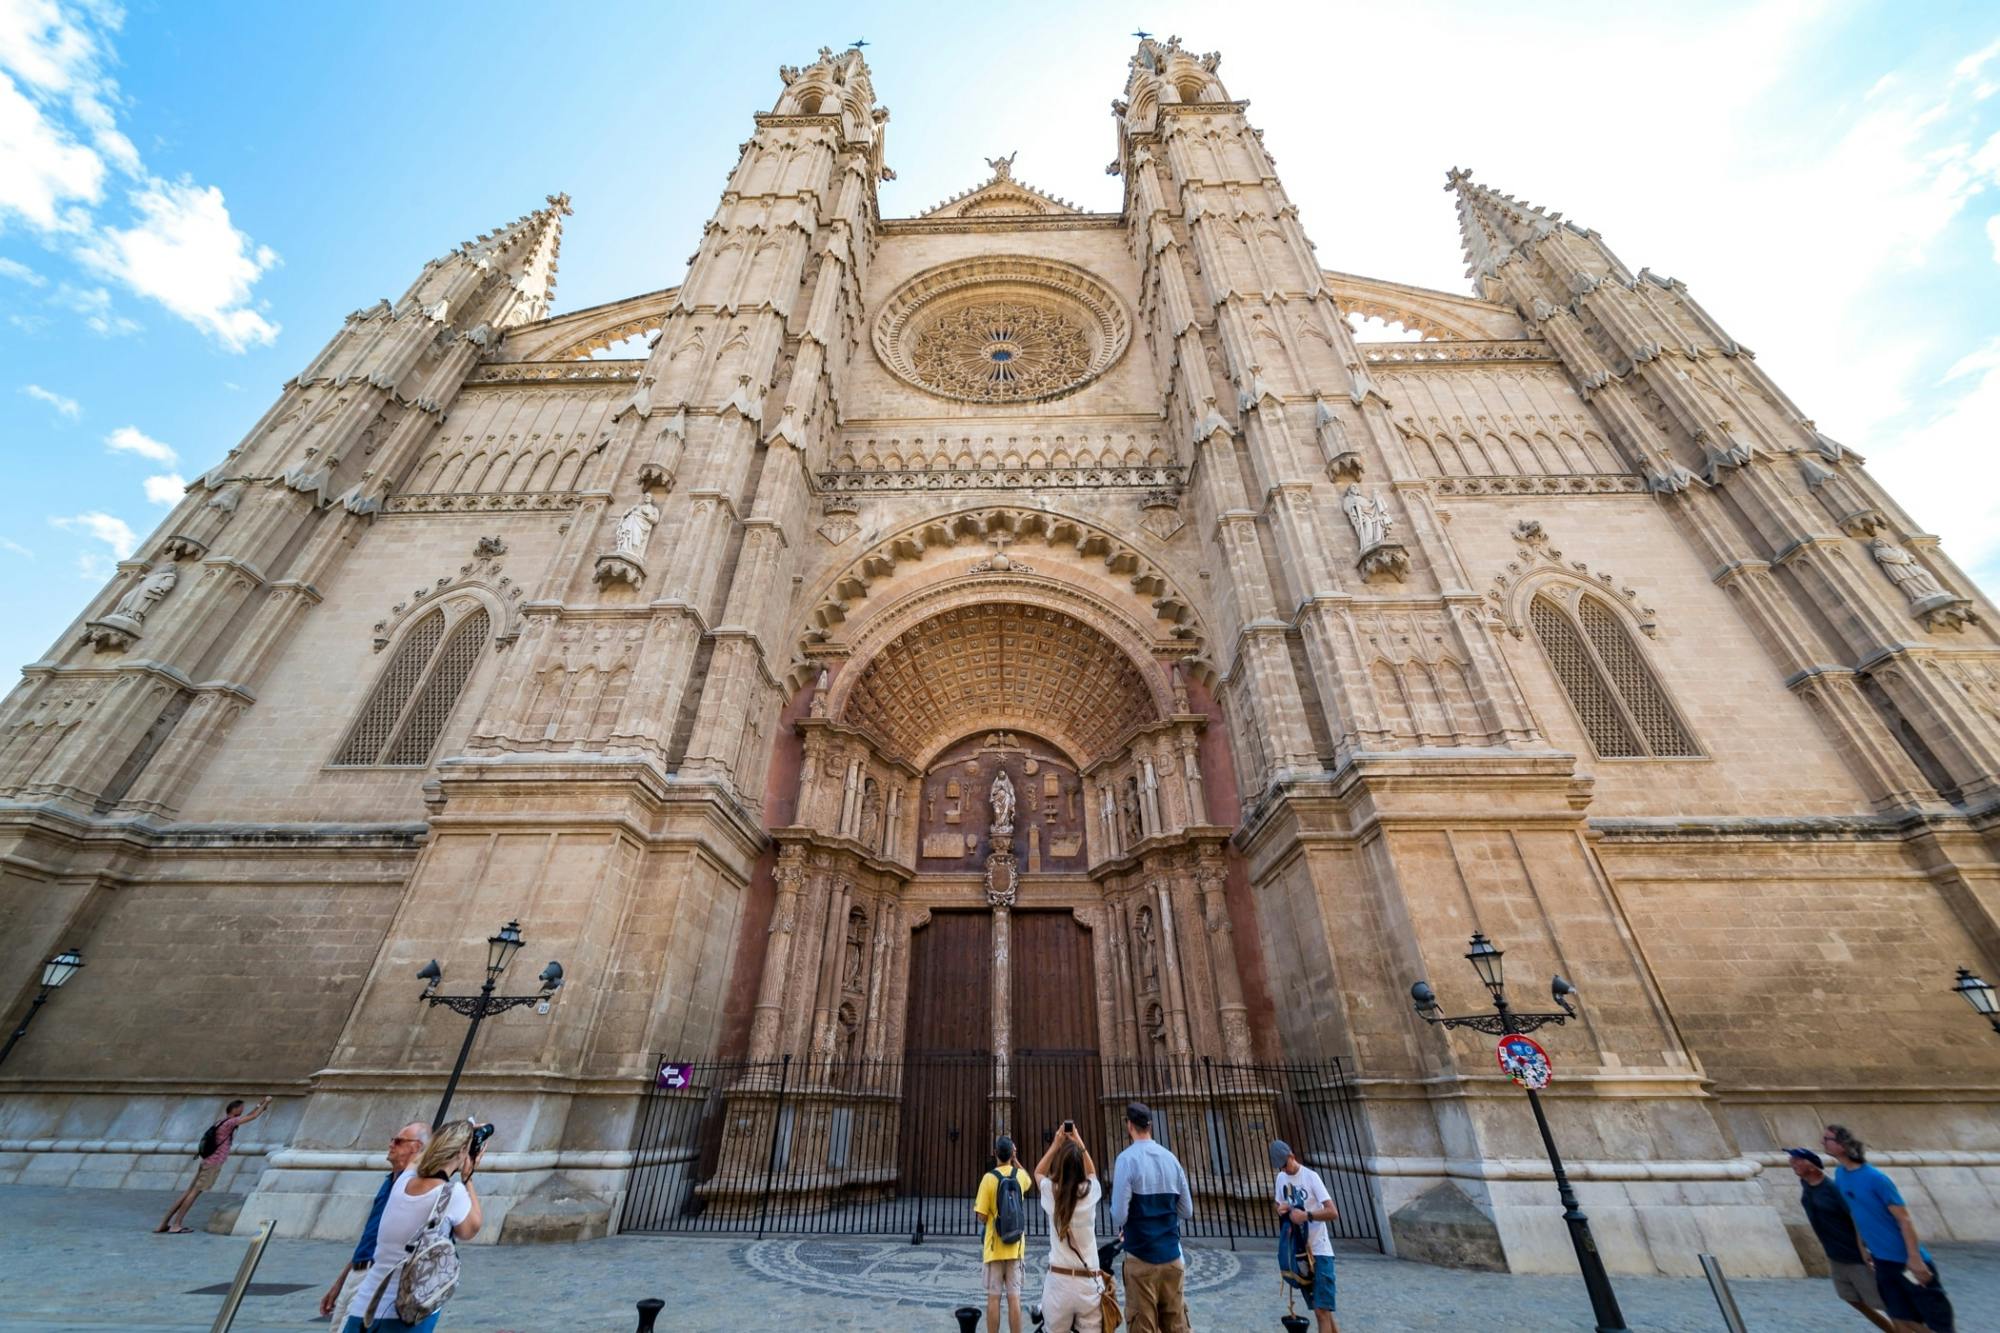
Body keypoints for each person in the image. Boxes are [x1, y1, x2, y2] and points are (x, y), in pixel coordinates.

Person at [342, 1119, 484, 1332]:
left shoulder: (402, 1180)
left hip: (365, 1307)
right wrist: (468, 1177)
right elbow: (471, 1228)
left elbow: (420, 1158)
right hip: (409, 1310)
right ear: (462, 1152)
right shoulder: (452, 1195)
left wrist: (462, 1131)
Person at [1821, 1125, 1955, 1332]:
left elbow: (1905, 1220)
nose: (1823, 1142)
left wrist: (1914, 1259)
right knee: (1900, 1320)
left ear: (1842, 1145)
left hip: (1906, 1261)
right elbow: (1856, 1213)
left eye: (1827, 1139)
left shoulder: (1876, 1179)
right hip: (1883, 1263)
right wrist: (1861, 1246)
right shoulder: (1841, 1175)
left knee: (1935, 1322)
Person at [320, 1121, 433, 1319]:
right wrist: (341, 1281)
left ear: (417, 1148)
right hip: (358, 1271)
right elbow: (372, 1236)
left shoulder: (414, 1189)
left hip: (375, 1276)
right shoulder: (389, 1182)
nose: (391, 1144)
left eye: (398, 1141)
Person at [1786, 1147, 1892, 1330]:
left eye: (1798, 1160)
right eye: (1792, 1159)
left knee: (1883, 1303)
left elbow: (1858, 1216)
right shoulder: (1807, 1187)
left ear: (1812, 1167)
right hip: (1835, 1255)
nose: (1792, 1163)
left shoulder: (1833, 1189)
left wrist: (1865, 1247)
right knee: (1852, 1299)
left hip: (1854, 1255)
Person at [1110, 1101, 1193, 1333]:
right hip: (1172, 1257)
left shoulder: (1127, 1159)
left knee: (1142, 1326)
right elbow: (1187, 1211)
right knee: (1177, 1326)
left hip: (1141, 1257)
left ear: (1129, 1126)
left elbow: (1119, 1214)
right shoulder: (1172, 1159)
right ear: (1151, 1125)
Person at [156, 1094, 270, 1234]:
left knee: (188, 1192)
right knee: (194, 1194)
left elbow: (250, 1114)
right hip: (213, 1164)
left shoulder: (221, 1121)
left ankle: (164, 1223)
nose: (242, 1111)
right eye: (240, 1108)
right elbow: (252, 1117)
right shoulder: (230, 1123)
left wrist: (261, 1104)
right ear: (234, 1109)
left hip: (206, 1161)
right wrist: (265, 1104)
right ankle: (176, 1224)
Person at [1032, 1122, 1104, 1332]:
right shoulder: (1090, 1192)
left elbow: (1038, 1173)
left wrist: (1056, 1144)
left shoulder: (1052, 1193)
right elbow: (1092, 1174)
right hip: (1088, 1283)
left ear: (1060, 1167)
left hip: (1059, 1283)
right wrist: (1078, 1142)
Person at [1271, 1140, 1340, 1332]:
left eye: (1285, 1164)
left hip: (1320, 1251)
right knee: (1322, 1309)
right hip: (1299, 1252)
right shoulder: (1281, 1178)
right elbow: (1277, 1204)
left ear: (1291, 1156)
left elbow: (1333, 1212)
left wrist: (1307, 1215)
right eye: (1280, 1167)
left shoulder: (1311, 1177)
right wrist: (1280, 1209)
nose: (1284, 1170)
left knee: (1321, 1311)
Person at [974, 1134, 1032, 1333]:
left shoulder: (989, 1179)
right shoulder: (1019, 1176)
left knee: (994, 1298)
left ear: (995, 1154)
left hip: (994, 1248)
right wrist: (1016, 1160)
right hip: (1015, 1247)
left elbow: (981, 1215)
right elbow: (1030, 1181)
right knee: (1014, 1298)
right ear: (1012, 1154)